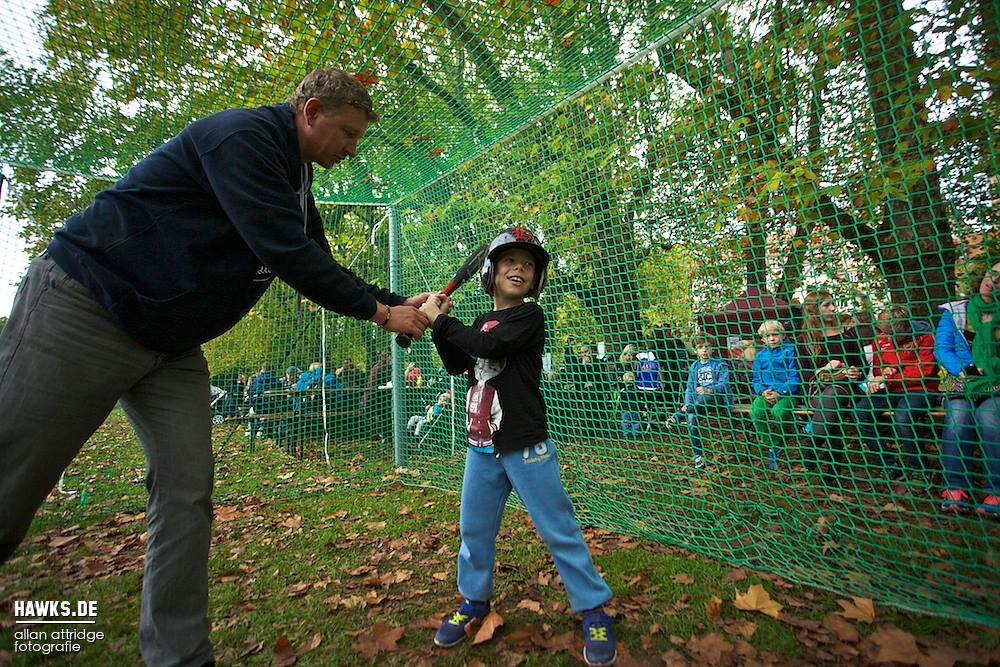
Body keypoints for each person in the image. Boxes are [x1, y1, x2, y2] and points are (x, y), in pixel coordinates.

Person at [0, 68, 435, 667]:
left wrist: (392, 301)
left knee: (187, 490)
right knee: (11, 479)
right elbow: (282, 251)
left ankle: (179, 657)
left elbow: (316, 258)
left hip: (172, 347)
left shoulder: (296, 174)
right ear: (309, 111)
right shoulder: (243, 140)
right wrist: (383, 315)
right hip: (88, 305)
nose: (352, 149)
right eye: (347, 132)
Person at [419, 227, 617, 667]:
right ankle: (474, 600)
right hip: (481, 446)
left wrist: (439, 319)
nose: (519, 269)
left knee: (557, 529)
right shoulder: (476, 322)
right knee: (474, 531)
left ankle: (592, 608)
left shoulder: (530, 317)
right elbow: (458, 361)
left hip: (526, 446)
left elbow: (489, 346)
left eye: (527, 265)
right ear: (490, 272)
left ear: (536, 279)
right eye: (509, 261)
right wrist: (438, 326)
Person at [936, 261, 1000, 516]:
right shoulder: (955, 311)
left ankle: (995, 491)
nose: (993, 280)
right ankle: (955, 488)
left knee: (989, 418)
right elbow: (942, 348)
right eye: (991, 274)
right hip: (960, 379)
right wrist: (966, 370)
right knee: (958, 417)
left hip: (995, 382)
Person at [852, 306, 939, 482]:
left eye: (892, 334)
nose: (887, 337)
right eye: (885, 332)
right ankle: (889, 464)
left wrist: (891, 375)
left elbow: (924, 371)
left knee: (902, 417)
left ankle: (919, 468)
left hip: (921, 389)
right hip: (892, 390)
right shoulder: (881, 339)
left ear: (905, 328)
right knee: (859, 413)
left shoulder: (925, 337)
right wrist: (878, 379)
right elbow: (878, 369)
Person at [797, 290, 868, 475]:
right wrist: (827, 368)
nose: (833, 308)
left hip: (849, 390)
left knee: (833, 397)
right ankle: (833, 466)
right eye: (826, 305)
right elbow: (805, 376)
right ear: (814, 310)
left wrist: (856, 371)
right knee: (830, 404)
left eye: (833, 303)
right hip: (817, 390)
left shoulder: (848, 334)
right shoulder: (804, 340)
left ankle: (812, 446)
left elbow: (863, 366)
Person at [668, 336, 731, 469]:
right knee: (692, 418)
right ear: (696, 350)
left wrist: (709, 389)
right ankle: (698, 456)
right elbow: (690, 387)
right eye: (700, 347)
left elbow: (724, 384)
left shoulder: (719, 364)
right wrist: (687, 402)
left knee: (703, 398)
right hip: (697, 403)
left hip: (716, 398)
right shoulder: (695, 366)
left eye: (707, 346)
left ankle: (678, 415)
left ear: (712, 349)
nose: (704, 350)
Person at [750, 320, 801, 470]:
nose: (772, 338)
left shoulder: (790, 351)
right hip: (765, 393)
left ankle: (782, 440)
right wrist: (762, 391)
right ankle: (772, 444)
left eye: (775, 334)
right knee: (756, 411)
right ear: (763, 339)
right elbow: (756, 378)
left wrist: (780, 392)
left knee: (779, 412)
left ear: (783, 335)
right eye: (767, 336)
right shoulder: (760, 356)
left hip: (787, 393)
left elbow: (795, 377)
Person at [619, 371, 643, 437]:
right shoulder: (636, 389)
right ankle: (635, 434)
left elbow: (621, 400)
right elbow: (639, 399)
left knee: (625, 422)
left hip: (625, 409)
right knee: (635, 422)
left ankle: (626, 434)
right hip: (635, 409)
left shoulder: (623, 390)